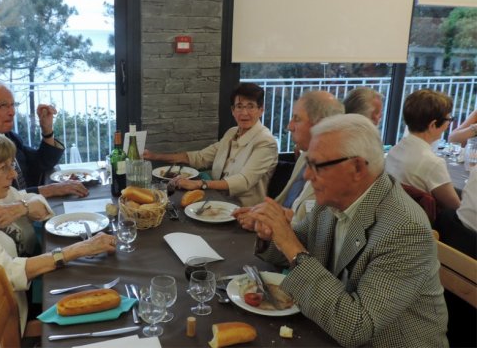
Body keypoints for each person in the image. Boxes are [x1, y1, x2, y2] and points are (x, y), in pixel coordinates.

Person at [246, 114, 448, 347]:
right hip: (328, 330)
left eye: (317, 165)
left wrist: (289, 243)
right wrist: (271, 234)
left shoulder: (405, 230)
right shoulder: (333, 199)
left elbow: (355, 327)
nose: (306, 175)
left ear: (357, 168)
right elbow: (296, 246)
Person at [0, 132, 117, 346]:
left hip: (16, 294)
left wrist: (22, 207)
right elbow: (7, 273)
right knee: (103, 314)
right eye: (2, 167)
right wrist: (79, 249)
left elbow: (38, 203)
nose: (13, 174)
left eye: (10, 165)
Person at [144, 83, 278, 206]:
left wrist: (199, 184)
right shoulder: (231, 133)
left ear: (261, 110)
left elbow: (243, 181)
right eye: (239, 106)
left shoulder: (266, 142)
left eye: (251, 106)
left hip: (245, 211)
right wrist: (154, 156)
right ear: (233, 110)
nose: (244, 113)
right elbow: (200, 157)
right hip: (215, 201)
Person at [0, 77, 88, 199]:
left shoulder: (4, 134)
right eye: (3, 105)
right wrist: (49, 190)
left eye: (13, 105)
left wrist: (46, 129)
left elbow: (41, 163)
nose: (12, 112)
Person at [233, 90, 344, 228]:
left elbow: (314, 230)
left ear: (321, 124)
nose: (289, 126)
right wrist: (257, 212)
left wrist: (266, 223)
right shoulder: (305, 156)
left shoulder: (338, 171)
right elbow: (285, 205)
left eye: (296, 119)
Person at [386, 89, 461, 211]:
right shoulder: (432, 163)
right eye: (449, 119)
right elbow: (455, 207)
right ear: (432, 125)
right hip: (422, 223)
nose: (449, 124)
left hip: (394, 214)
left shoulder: (395, 150)